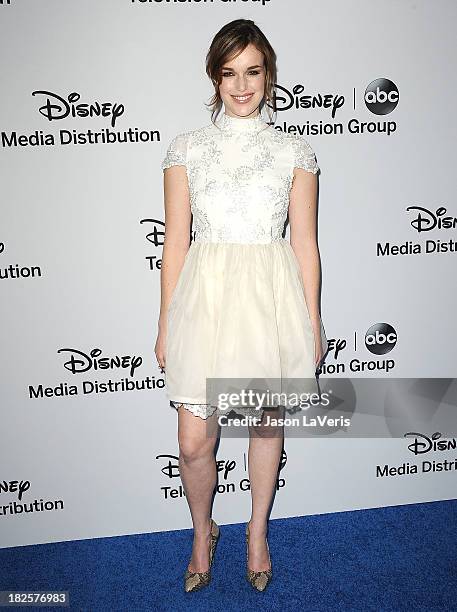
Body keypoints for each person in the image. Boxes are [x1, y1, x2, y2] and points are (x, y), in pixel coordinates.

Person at [155, 19, 328, 593]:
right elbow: (174, 244)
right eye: (229, 73)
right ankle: (203, 531)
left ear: (269, 75)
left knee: (262, 422)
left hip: (269, 300)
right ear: (214, 77)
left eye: (252, 71)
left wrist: (314, 321)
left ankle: (256, 532)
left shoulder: (294, 152)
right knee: (193, 441)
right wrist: (165, 322)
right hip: (203, 301)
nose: (241, 85)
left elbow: (305, 245)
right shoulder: (185, 149)